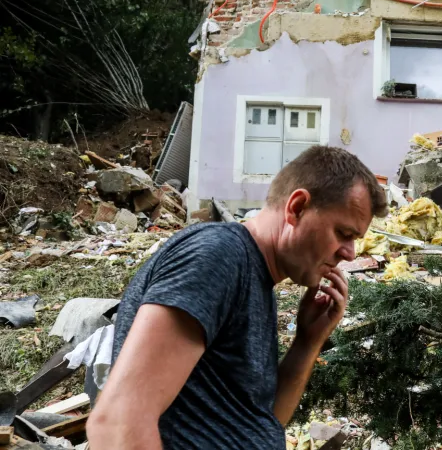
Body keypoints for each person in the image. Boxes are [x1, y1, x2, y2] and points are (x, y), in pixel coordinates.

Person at [87, 146, 388, 449]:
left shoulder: (255, 279)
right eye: (344, 233)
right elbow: (118, 423)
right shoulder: (219, 256)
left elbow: (260, 419)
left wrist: (308, 342)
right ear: (296, 208)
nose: (349, 253)